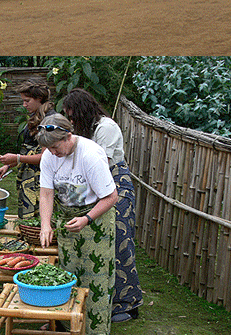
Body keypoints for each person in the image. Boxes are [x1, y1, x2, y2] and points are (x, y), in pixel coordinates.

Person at [62, 88, 142, 323]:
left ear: (83, 110)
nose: (71, 120)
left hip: (116, 186)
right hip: (97, 186)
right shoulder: (87, 129)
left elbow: (102, 164)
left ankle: (129, 303)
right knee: (101, 243)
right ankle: (104, 300)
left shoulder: (105, 127)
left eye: (72, 114)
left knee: (120, 242)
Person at [37, 113, 118, 335]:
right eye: (49, 149)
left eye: (55, 147)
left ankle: (95, 330)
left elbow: (111, 197)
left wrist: (87, 218)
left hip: (96, 221)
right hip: (68, 221)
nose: (53, 153)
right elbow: (46, 194)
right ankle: (67, 327)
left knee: (95, 279)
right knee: (68, 275)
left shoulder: (91, 155)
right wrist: (46, 225)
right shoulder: (49, 156)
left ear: (68, 136)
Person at [0, 78, 55, 218]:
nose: (24, 104)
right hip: (29, 176)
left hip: (41, 180)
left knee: (38, 218)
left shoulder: (50, 121)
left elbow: (45, 157)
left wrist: (18, 158)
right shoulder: (37, 116)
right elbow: (30, 150)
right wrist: (9, 165)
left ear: (39, 98)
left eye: (27, 100)